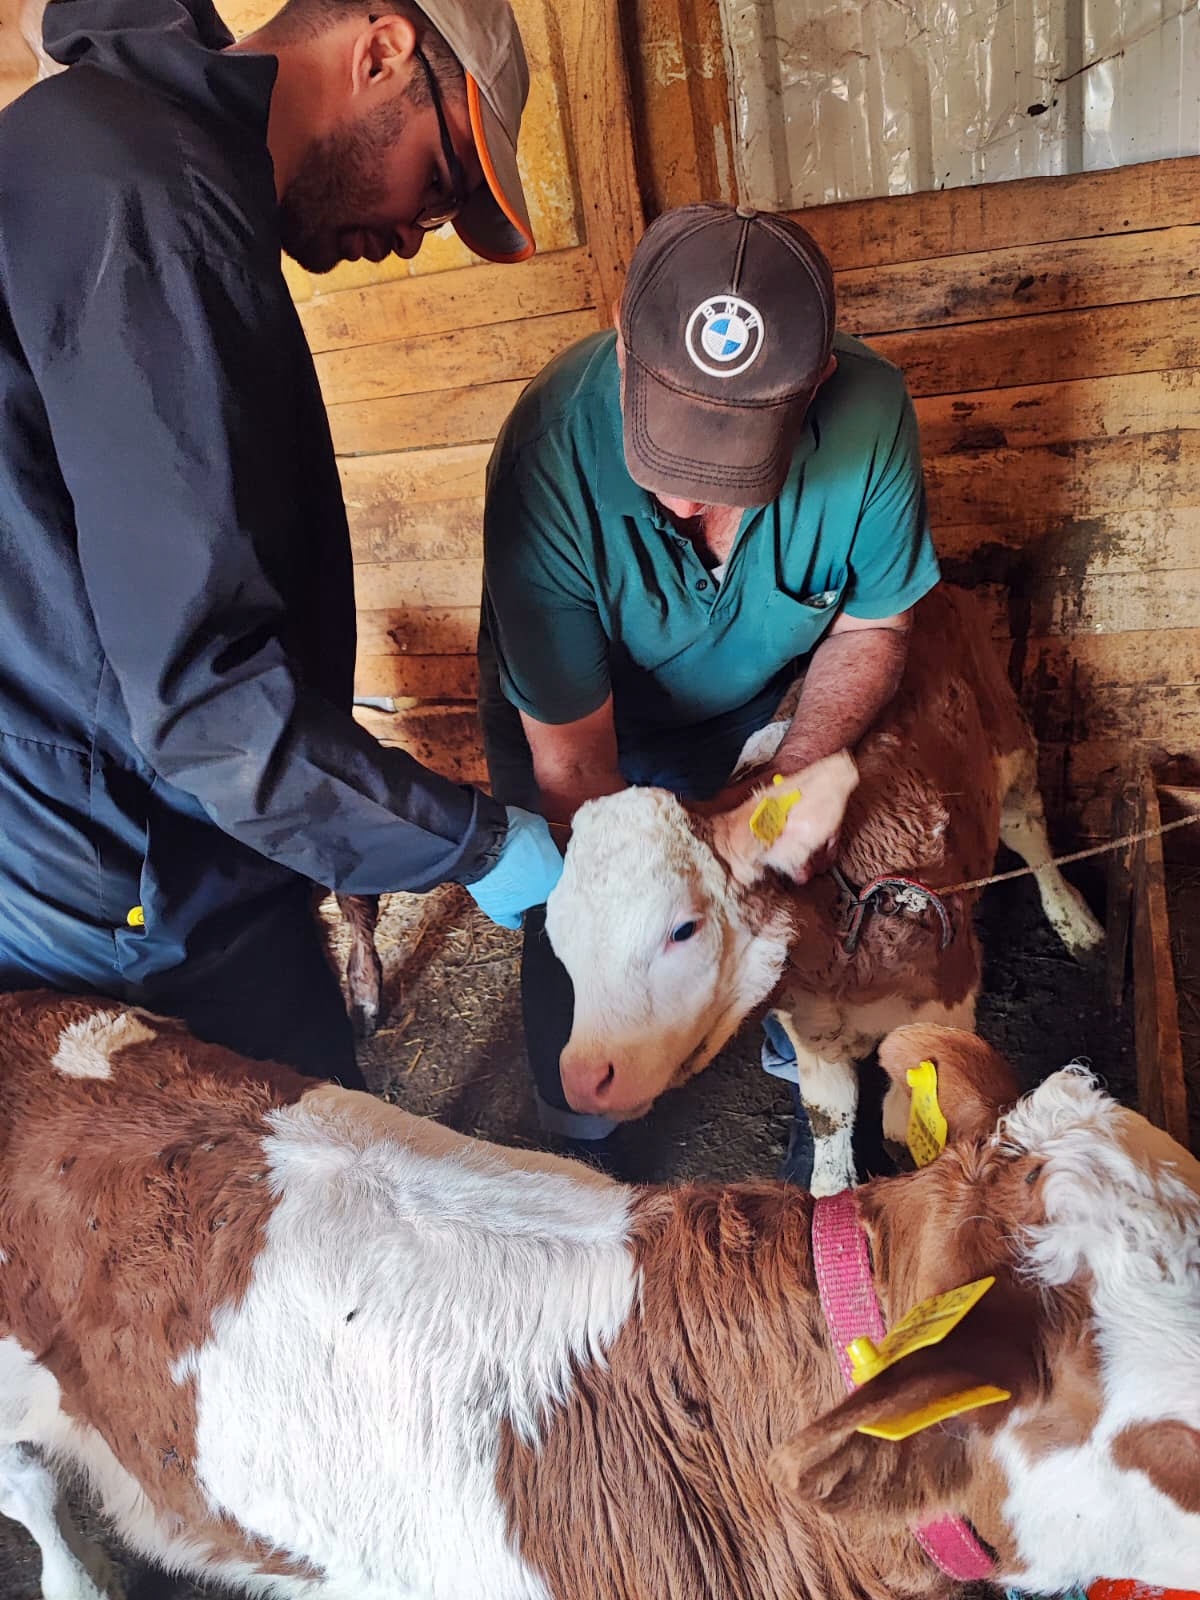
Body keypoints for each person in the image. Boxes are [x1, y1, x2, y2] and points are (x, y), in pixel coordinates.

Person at [0, 0, 561, 1088]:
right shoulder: (155, 199)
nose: (412, 235)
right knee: (294, 1175)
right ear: (384, 50)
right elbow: (205, 706)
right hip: (132, 866)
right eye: (438, 183)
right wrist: (473, 842)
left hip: (71, 808)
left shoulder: (101, 137)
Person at [479, 202, 941, 1181]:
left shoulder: (868, 414)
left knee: (772, 920)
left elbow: (873, 624)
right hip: (584, 719)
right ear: (622, 343)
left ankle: (797, 1059)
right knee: (591, 1084)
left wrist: (778, 801)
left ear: (813, 385)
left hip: (752, 723)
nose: (686, 501)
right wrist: (645, 894)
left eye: (728, 461)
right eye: (666, 448)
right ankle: (586, 1161)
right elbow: (573, 765)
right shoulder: (549, 450)